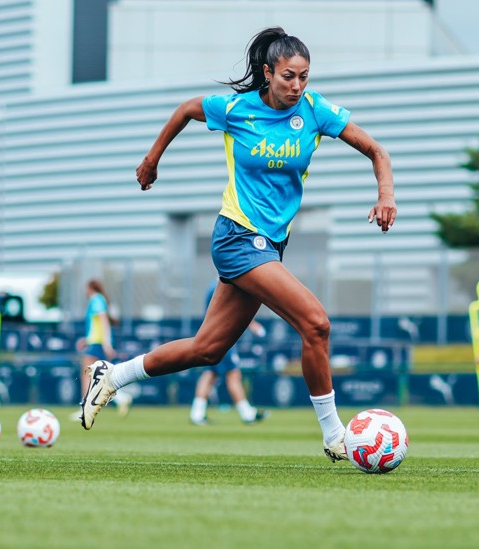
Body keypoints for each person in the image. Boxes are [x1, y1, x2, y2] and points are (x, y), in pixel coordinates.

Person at [79, 26, 396, 463]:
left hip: (269, 245)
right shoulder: (236, 109)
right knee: (316, 324)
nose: (297, 86)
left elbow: (377, 151)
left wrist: (386, 196)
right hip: (237, 237)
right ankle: (334, 434)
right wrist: (152, 160)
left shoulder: (316, 110)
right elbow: (186, 110)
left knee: (207, 349)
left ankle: (112, 375)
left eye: (304, 76)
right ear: (267, 73)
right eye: (288, 76)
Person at [190, 278, 269, 426]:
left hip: (214, 334)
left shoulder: (214, 285)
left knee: (210, 374)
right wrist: (252, 324)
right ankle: (247, 413)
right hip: (222, 336)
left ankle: (197, 413)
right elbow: (231, 310)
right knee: (233, 374)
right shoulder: (223, 285)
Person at [75, 279, 131, 416]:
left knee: (86, 375)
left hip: (98, 343)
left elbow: (103, 321)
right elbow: (96, 326)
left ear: (89, 288)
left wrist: (106, 343)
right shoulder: (99, 300)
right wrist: (87, 340)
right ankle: (121, 398)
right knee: (98, 377)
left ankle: (85, 410)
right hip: (95, 342)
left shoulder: (96, 300)